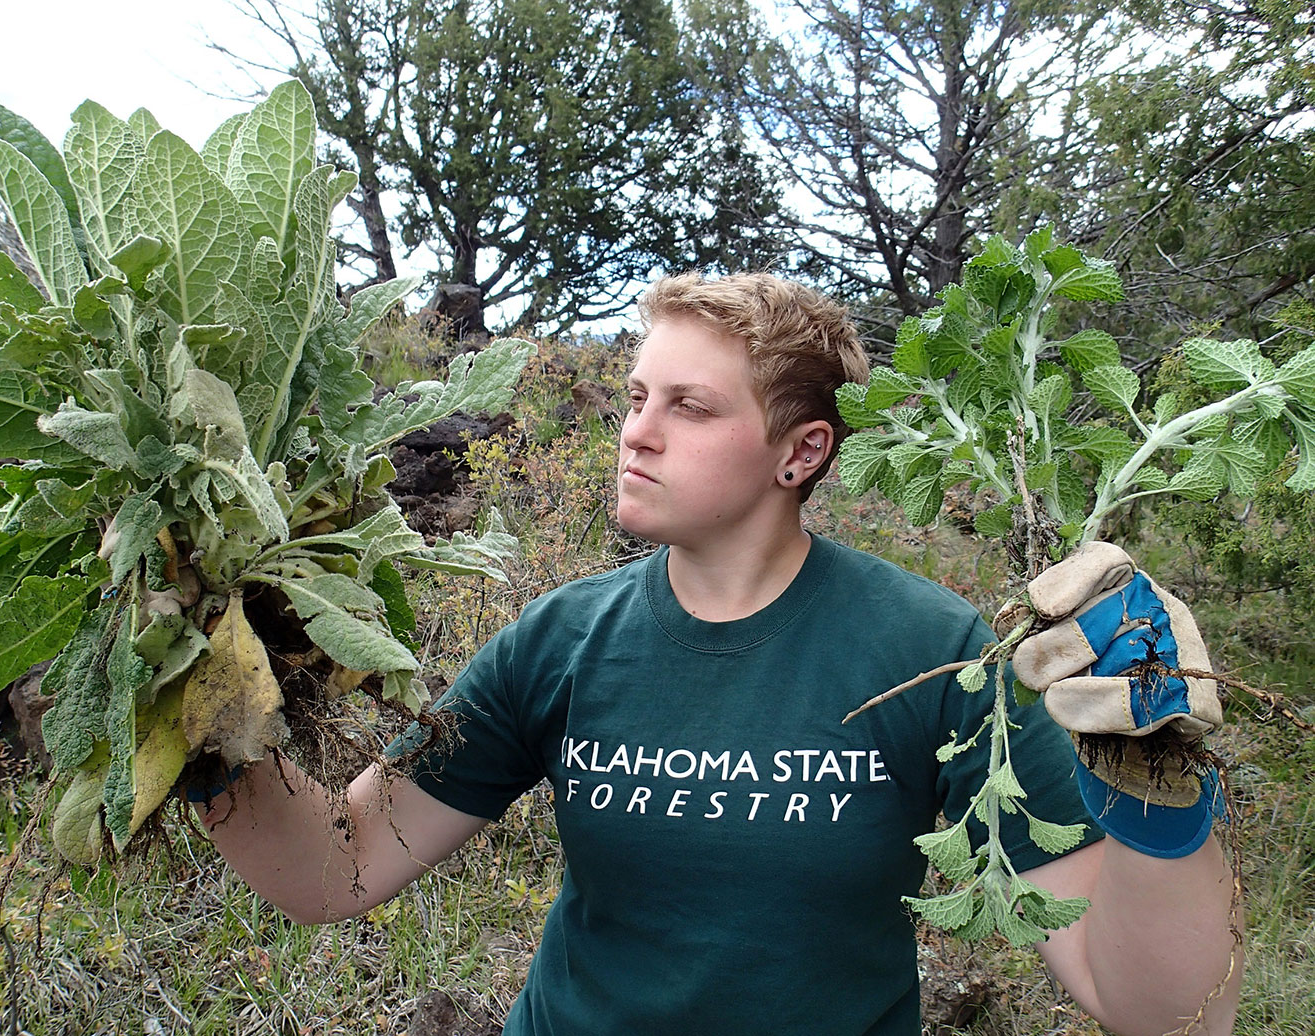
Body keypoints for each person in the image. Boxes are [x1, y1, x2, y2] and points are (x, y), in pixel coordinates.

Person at [201, 273, 1242, 1035]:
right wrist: (202, 706)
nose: (636, 432)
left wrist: (1158, 791)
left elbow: (1158, 1010)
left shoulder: (936, 653)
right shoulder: (562, 640)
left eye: (688, 407)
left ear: (801, 452)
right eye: (636, 397)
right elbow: (337, 869)